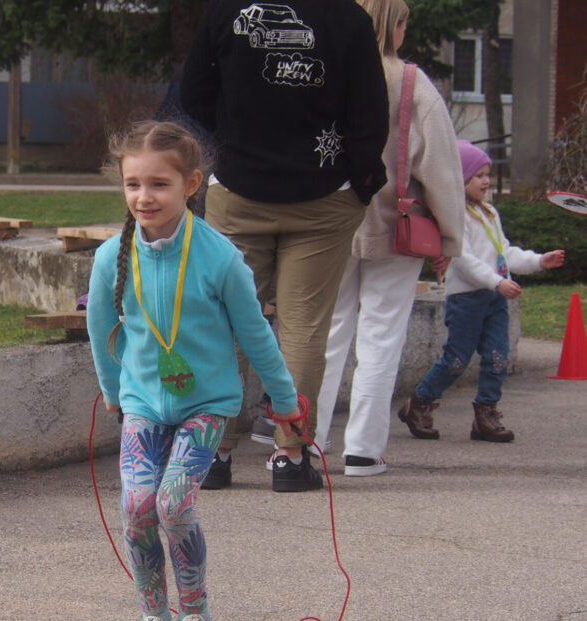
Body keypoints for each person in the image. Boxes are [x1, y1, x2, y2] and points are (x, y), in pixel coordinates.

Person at [86, 120, 302, 621]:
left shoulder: (220, 257)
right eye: (133, 184)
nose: (144, 196)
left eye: (159, 184)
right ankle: (153, 620)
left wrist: (283, 399)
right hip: (142, 404)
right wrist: (113, 390)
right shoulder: (111, 256)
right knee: (137, 507)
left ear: (192, 184)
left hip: (207, 405)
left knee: (174, 503)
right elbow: (101, 327)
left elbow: (255, 333)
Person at [180, 0, 390, 491]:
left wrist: (233, 140)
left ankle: (214, 452)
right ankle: (291, 456)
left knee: (223, 322)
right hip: (325, 194)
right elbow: (370, 113)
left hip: (239, 187)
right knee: (304, 328)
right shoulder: (348, 17)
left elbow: (193, 94)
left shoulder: (226, 11)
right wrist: (362, 180)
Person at [313, 0, 462, 476]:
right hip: (396, 227)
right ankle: (363, 448)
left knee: (323, 334)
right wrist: (450, 239)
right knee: (382, 335)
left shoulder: (323, 72)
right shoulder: (414, 86)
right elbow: (440, 169)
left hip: (328, 224)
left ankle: (307, 439)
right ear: (396, 26)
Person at [398, 141, 566, 442]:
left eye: (488, 174)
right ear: (460, 179)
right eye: (478, 175)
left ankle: (485, 413)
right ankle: (420, 402)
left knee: (498, 357)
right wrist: (495, 281)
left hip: (495, 299)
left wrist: (539, 261)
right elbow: (464, 259)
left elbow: (505, 253)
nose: (486, 181)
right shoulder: (456, 216)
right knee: (457, 360)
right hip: (467, 300)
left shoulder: (489, 212)